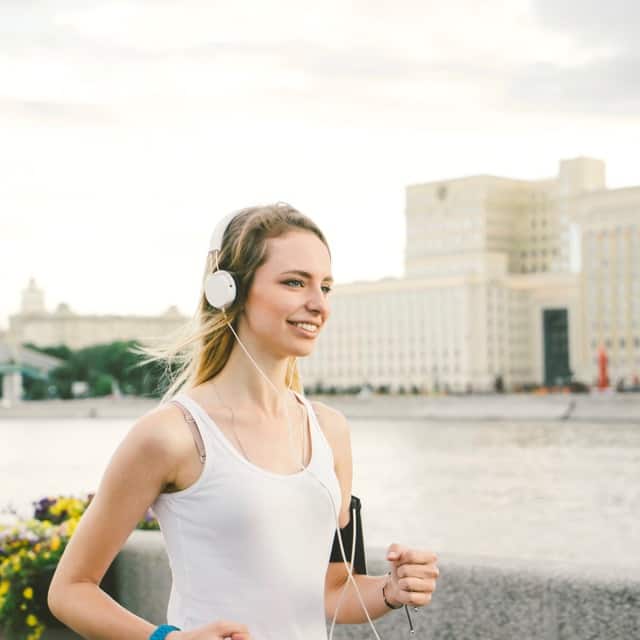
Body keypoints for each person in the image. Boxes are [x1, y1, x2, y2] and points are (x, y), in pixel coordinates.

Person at [48, 203, 439, 640]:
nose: (317, 305)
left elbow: (330, 593)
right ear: (228, 291)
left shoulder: (330, 431)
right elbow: (70, 590)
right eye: (294, 282)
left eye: (325, 287)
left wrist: (390, 588)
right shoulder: (173, 435)